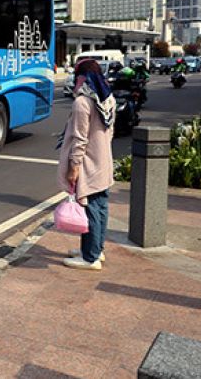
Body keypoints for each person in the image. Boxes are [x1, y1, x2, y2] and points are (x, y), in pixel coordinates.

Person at [58, 58, 116, 270]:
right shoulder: (107, 98)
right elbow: (110, 132)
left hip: (89, 163)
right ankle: (95, 250)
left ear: (83, 77)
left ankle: (89, 258)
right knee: (100, 208)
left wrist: (74, 167)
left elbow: (79, 139)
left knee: (90, 208)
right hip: (103, 160)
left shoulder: (83, 102)